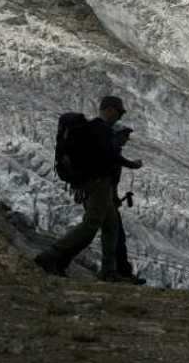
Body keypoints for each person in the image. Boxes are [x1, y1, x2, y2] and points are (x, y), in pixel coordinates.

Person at [35, 95, 143, 281]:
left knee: (111, 225)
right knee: (91, 224)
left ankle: (109, 271)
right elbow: (109, 155)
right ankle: (51, 256)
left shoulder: (94, 128)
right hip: (97, 183)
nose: (119, 117)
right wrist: (131, 164)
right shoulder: (100, 128)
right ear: (109, 109)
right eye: (118, 112)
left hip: (99, 184)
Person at [111, 123, 146, 285]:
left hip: (106, 200)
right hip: (103, 200)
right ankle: (121, 273)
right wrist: (134, 164)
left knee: (114, 236)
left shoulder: (111, 151)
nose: (126, 140)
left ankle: (117, 272)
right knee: (116, 236)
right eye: (124, 137)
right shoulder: (109, 150)